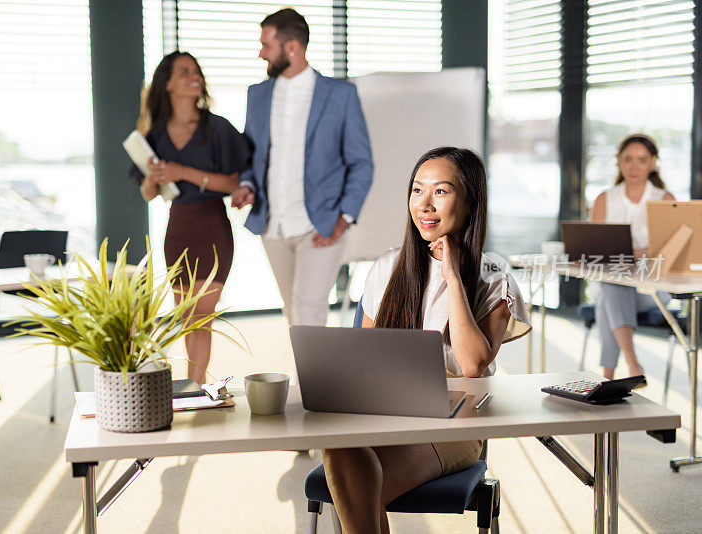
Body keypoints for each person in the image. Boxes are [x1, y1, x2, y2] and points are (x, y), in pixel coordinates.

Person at [320, 147, 530, 534]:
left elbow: (472, 365)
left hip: (457, 423)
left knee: (357, 493)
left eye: (441, 191)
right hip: (389, 413)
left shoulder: (494, 277)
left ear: (469, 203)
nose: (425, 204)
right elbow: (364, 359)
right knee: (338, 445)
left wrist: (452, 277)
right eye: (417, 190)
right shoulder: (387, 267)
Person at [230, 8, 373, 327]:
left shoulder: (341, 95)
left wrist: (345, 217)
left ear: (292, 47)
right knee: (293, 312)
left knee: (308, 311)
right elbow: (251, 157)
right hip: (273, 226)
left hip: (320, 225)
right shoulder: (257, 95)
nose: (261, 53)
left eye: (267, 45)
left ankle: (317, 379)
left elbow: (361, 162)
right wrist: (247, 185)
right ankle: (316, 376)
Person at [129, 51, 251, 384]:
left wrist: (183, 171)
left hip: (212, 226)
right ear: (167, 83)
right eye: (185, 71)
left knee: (202, 317)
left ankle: (195, 387)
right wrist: (153, 178)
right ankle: (191, 385)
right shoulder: (153, 135)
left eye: (196, 71)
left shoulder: (218, 128)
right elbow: (148, 193)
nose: (194, 76)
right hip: (178, 229)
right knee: (185, 318)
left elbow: (232, 182)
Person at [590, 133, 675, 381]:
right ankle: (632, 364)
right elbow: (595, 248)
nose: (634, 166)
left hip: (653, 289)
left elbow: (670, 249)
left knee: (608, 293)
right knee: (612, 285)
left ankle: (609, 377)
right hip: (614, 282)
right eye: (628, 159)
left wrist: (634, 253)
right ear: (618, 161)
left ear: (653, 162)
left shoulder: (665, 200)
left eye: (642, 159)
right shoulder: (604, 199)